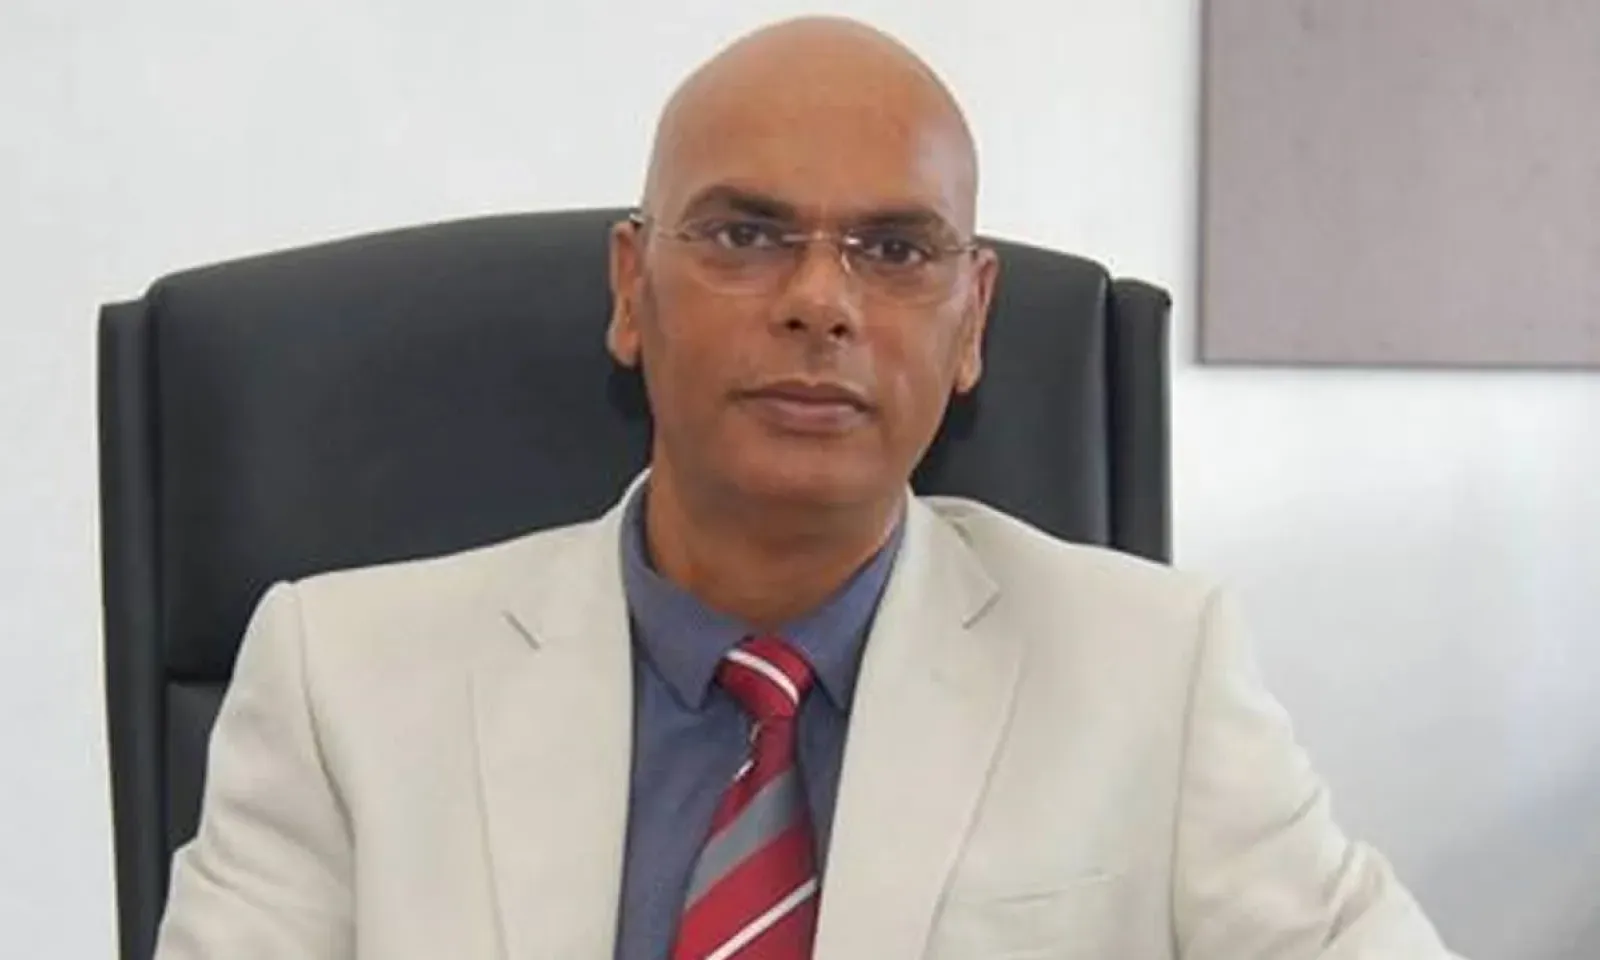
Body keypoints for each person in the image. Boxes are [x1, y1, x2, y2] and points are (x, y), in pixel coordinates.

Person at [153, 15, 1460, 960]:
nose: (821, 302)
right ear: (631, 290)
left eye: (895, 250)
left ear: (972, 322)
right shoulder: (341, 683)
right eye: (746, 234)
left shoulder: (1155, 673)